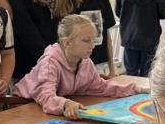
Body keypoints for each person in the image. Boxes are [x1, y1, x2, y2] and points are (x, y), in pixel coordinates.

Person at [15, 15, 148, 118]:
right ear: (67, 42)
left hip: (48, 108)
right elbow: (46, 97)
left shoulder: (86, 62)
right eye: (86, 40)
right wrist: (66, 103)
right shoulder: (49, 63)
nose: (92, 46)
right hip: (23, 106)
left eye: (93, 40)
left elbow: (101, 87)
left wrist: (136, 89)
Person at [72, 0, 117, 71]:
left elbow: (107, 36)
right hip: (80, 64)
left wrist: (112, 68)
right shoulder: (73, 0)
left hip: (101, 64)